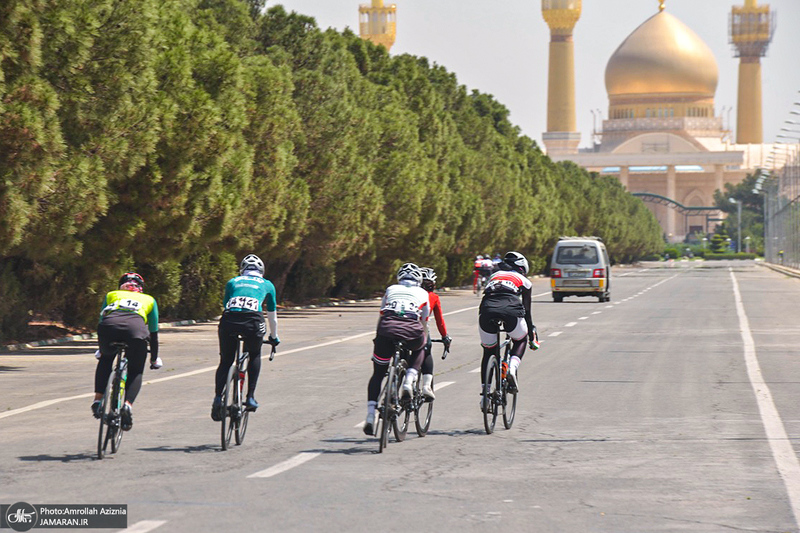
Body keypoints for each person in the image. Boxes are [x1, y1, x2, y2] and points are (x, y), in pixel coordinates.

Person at [363, 263, 430, 435]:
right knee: (421, 347)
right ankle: (409, 379)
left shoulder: (390, 289)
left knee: (378, 373)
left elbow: (382, 315)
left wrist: (378, 340)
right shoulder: (423, 293)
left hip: (386, 330)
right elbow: (424, 322)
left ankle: (370, 415)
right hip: (411, 330)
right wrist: (424, 338)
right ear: (419, 280)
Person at [211, 254, 279, 421]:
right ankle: (249, 397)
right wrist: (274, 337)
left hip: (229, 320)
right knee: (255, 353)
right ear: (261, 271)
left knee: (226, 361)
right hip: (252, 322)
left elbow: (226, 305)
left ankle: (218, 399)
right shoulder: (267, 284)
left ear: (242, 270)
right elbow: (272, 316)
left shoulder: (233, 281)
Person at [91, 272, 161, 431]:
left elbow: (102, 320)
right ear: (141, 288)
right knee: (136, 371)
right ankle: (128, 405)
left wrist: (101, 349)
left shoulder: (112, 295)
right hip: (135, 332)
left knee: (105, 359)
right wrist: (154, 359)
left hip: (108, 329)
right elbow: (154, 333)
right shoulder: (149, 299)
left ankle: (97, 400)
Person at [478, 251, 539, 404]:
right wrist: (531, 334)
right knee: (520, 340)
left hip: (486, 309)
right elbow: (527, 311)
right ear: (522, 269)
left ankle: (485, 394)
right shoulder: (525, 281)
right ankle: (512, 368)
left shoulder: (494, 275)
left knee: (488, 350)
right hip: (511, 309)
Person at [419, 267, 452, 399]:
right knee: (427, 351)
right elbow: (440, 321)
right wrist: (445, 337)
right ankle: (427, 386)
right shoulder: (433, 296)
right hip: (419, 329)